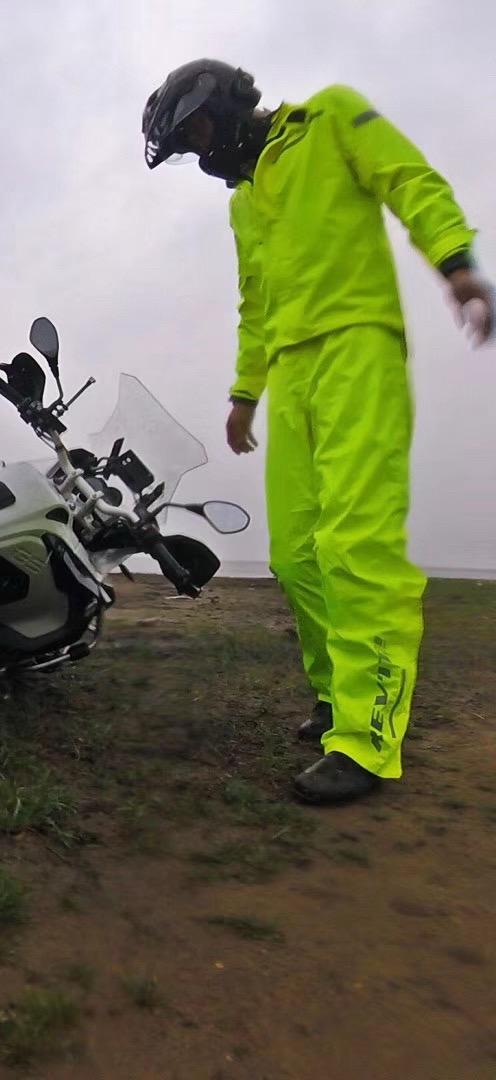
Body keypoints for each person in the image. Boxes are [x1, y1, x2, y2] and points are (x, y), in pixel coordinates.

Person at [140, 60, 492, 804]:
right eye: (184, 144)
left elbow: (408, 179)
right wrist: (245, 394)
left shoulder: (329, 116)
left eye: (195, 131)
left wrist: (455, 262)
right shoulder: (244, 204)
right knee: (297, 554)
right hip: (292, 372)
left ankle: (367, 739)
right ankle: (337, 698)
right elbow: (255, 304)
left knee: (355, 544)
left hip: (359, 345)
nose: (198, 151)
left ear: (223, 103)